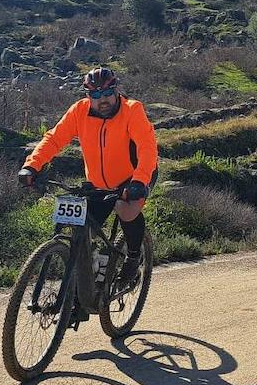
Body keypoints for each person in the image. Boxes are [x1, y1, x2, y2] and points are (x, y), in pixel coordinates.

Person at [19, 66, 158, 288]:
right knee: (82, 231)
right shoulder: (79, 111)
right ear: (87, 96)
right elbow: (54, 139)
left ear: (115, 90)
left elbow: (146, 148)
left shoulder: (132, 110)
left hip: (134, 177)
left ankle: (133, 258)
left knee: (125, 209)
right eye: (95, 95)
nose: (101, 100)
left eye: (106, 94)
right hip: (98, 184)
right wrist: (32, 166)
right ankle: (86, 280)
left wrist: (139, 181)